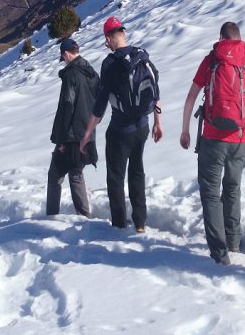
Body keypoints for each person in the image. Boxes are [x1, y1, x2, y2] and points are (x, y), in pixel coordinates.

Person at [179, 22, 245, 265]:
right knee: (232, 188)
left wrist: (185, 130)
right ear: (239, 39)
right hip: (239, 138)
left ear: (220, 38)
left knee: (210, 192)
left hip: (212, 139)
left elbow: (191, 97)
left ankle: (219, 253)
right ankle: (233, 241)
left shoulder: (211, 61)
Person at [80, 17, 163, 232]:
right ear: (123, 33)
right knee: (137, 172)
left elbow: (100, 104)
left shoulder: (110, 63)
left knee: (115, 177)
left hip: (119, 130)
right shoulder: (142, 56)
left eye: (105, 40)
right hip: (143, 127)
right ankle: (140, 223)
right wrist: (157, 122)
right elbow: (155, 91)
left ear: (108, 39)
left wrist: (88, 132)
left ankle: (118, 225)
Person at [46, 38, 99, 217]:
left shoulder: (71, 75)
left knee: (55, 175)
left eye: (63, 57)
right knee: (76, 173)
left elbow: (67, 105)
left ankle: (51, 216)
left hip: (70, 135)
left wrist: (60, 139)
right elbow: (100, 103)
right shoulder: (91, 72)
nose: (64, 60)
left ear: (66, 53)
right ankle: (85, 218)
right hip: (87, 132)